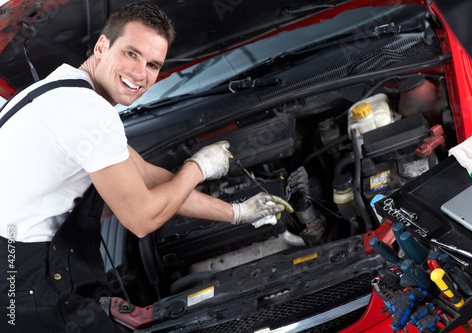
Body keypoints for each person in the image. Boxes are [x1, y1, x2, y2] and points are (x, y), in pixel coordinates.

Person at [0, 2, 292, 332]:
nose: (141, 73)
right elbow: (141, 219)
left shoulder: (58, 93)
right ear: (102, 46)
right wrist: (198, 167)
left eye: (153, 64)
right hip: (26, 283)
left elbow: (150, 178)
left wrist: (237, 213)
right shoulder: (89, 112)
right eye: (131, 54)